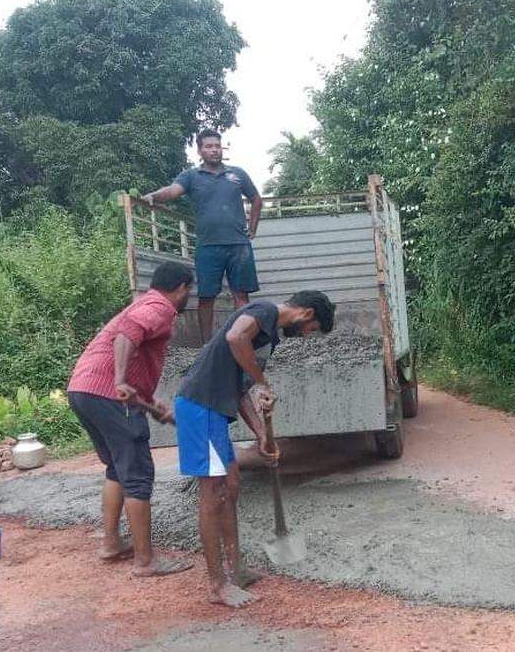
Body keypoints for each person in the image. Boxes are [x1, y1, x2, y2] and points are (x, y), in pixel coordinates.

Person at [173, 290, 336, 606]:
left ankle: (237, 570)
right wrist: (264, 381)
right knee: (213, 493)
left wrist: (262, 434)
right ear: (307, 314)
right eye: (311, 330)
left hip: (216, 410)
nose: (305, 336)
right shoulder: (263, 311)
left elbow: (238, 389)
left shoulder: (268, 337)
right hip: (200, 406)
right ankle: (217, 584)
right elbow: (235, 338)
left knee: (231, 485)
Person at [66, 261, 195, 577]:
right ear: (181, 288)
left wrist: (153, 408)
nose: (188, 295)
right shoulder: (159, 307)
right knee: (137, 474)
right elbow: (128, 334)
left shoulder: (143, 303)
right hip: (109, 393)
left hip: (83, 389)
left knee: (117, 467)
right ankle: (145, 561)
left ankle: (112, 543)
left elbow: (134, 365)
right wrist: (121, 381)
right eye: (189, 290)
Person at [141, 128, 264, 343]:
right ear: (200, 150)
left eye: (217, 146)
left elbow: (256, 199)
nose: (215, 150)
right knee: (206, 298)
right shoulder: (191, 176)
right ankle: (207, 346)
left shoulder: (237, 174)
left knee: (241, 296)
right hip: (208, 246)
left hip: (238, 244)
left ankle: (242, 342)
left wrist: (252, 228)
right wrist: (154, 196)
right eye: (209, 146)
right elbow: (172, 190)